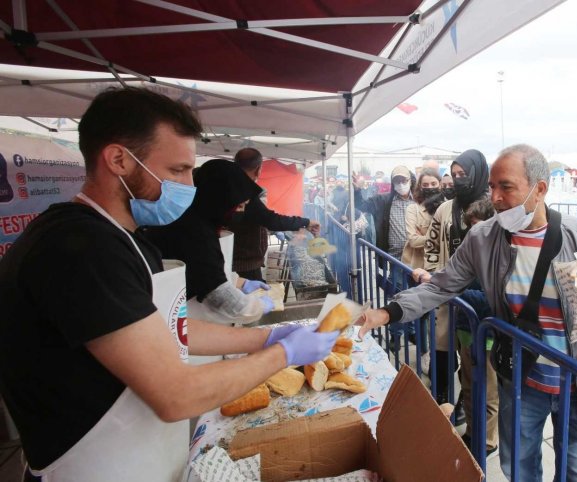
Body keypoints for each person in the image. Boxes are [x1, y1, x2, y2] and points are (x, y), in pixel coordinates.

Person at [0, 88, 339, 481]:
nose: (189, 184)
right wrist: (282, 354)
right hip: (92, 467)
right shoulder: (80, 247)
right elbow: (177, 395)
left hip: (139, 459)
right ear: (118, 160)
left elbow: (168, 330)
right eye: (177, 170)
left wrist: (263, 339)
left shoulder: (124, 238)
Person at [359, 144, 577, 480]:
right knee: (518, 468)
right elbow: (440, 285)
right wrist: (387, 312)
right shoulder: (483, 238)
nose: (495, 197)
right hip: (522, 382)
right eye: (491, 187)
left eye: (506, 186)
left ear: (540, 189)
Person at [422, 149, 498, 455]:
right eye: (454, 175)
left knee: (487, 381)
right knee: (464, 369)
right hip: (455, 302)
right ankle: (469, 423)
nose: (457, 180)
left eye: (463, 174)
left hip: (482, 311)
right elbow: (431, 243)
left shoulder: (493, 208)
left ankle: (486, 438)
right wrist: (433, 275)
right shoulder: (446, 209)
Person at [141, 158, 274, 323]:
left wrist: (239, 281)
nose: (239, 212)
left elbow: (205, 270)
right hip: (180, 316)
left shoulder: (198, 220)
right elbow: (217, 294)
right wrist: (256, 307)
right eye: (238, 206)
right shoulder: (194, 230)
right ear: (222, 199)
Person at [228, 148, 319, 281]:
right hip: (244, 264)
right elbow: (271, 220)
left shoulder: (228, 188)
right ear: (259, 169)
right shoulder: (245, 192)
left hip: (233, 259)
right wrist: (306, 222)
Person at [353, 165, 416, 261]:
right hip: (394, 259)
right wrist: (357, 190)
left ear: (410, 181)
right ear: (392, 183)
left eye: (404, 180)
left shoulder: (419, 201)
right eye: (397, 181)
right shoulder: (382, 201)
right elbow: (361, 205)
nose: (401, 184)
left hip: (416, 258)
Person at [402, 168, 441, 269]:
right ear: (420, 187)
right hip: (417, 266)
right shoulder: (413, 209)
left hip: (439, 266)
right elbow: (413, 241)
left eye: (433, 184)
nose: (430, 187)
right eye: (425, 185)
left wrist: (424, 236)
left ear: (440, 184)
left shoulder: (446, 207)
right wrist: (440, 238)